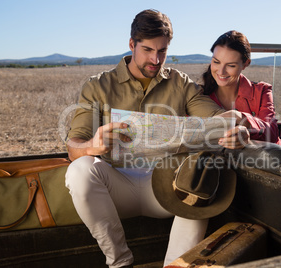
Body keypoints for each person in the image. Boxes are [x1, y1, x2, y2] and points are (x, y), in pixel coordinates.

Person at [65, 10, 249, 268]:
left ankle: (175, 265)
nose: (155, 59)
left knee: (203, 180)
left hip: (165, 186)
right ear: (132, 45)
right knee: (79, 170)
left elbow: (218, 118)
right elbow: (73, 147)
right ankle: (119, 262)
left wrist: (237, 126)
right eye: (148, 50)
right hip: (116, 187)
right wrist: (92, 146)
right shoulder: (97, 85)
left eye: (162, 51)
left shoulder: (180, 83)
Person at [201, 30, 281, 156]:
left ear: (245, 64)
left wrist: (241, 118)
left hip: (277, 161)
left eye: (231, 65)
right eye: (216, 62)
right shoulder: (199, 95)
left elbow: (272, 134)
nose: (221, 71)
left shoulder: (262, 91)